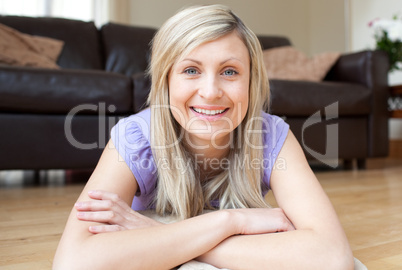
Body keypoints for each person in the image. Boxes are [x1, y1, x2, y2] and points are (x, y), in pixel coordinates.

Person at [53, 4, 354, 270]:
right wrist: (232, 222)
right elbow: (73, 262)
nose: (210, 92)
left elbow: (331, 258)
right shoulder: (136, 138)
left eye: (230, 72)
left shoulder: (272, 136)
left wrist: (158, 232)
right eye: (191, 70)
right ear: (166, 81)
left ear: (251, 82)